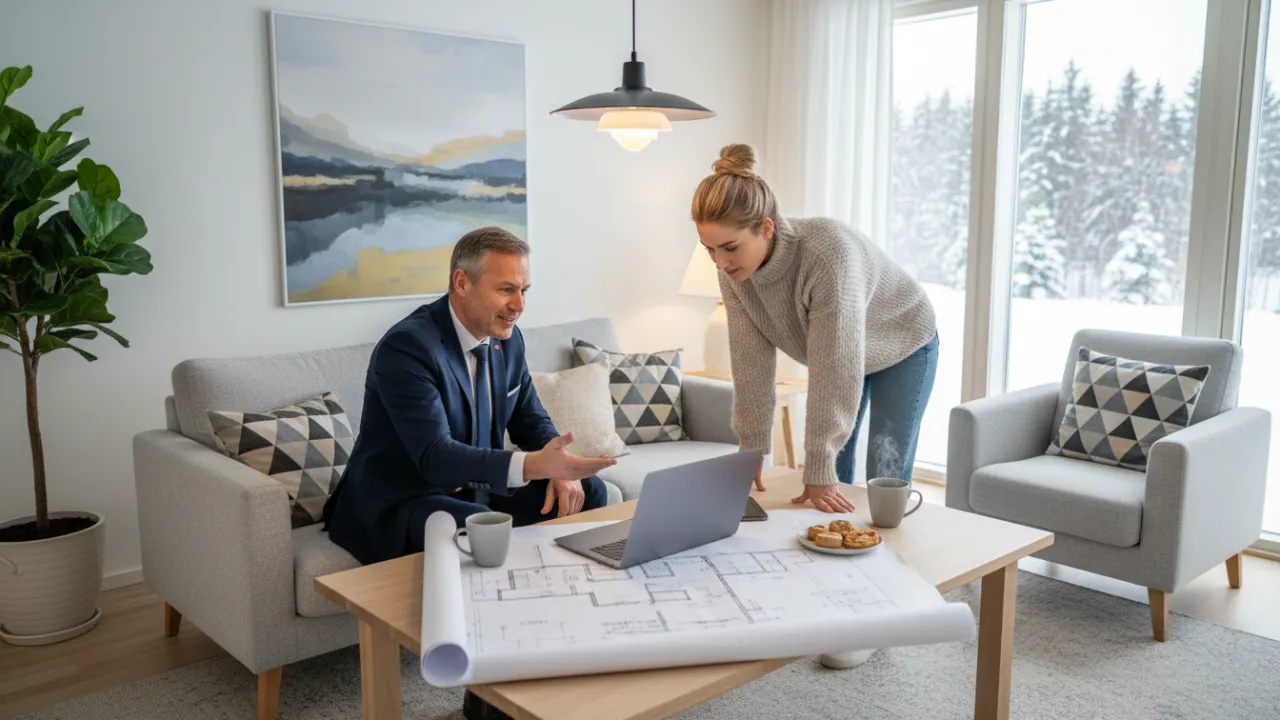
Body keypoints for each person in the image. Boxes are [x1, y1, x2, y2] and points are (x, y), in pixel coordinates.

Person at [322, 226, 616, 565]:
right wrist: (534, 464)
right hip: (404, 500)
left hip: (478, 489)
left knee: (591, 491)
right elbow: (436, 456)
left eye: (524, 290)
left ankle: (574, 594)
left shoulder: (508, 338)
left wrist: (559, 466)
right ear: (462, 283)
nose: (519, 305)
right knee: (483, 527)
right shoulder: (407, 348)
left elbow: (530, 418)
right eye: (507, 289)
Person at [690, 143, 939, 513]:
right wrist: (752, 447)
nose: (720, 262)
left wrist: (819, 467)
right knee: (828, 479)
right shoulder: (734, 275)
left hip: (902, 340)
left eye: (729, 247)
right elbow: (751, 366)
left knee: (882, 474)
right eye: (709, 249)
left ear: (767, 228)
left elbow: (834, 369)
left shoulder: (826, 257)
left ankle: (894, 561)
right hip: (844, 353)